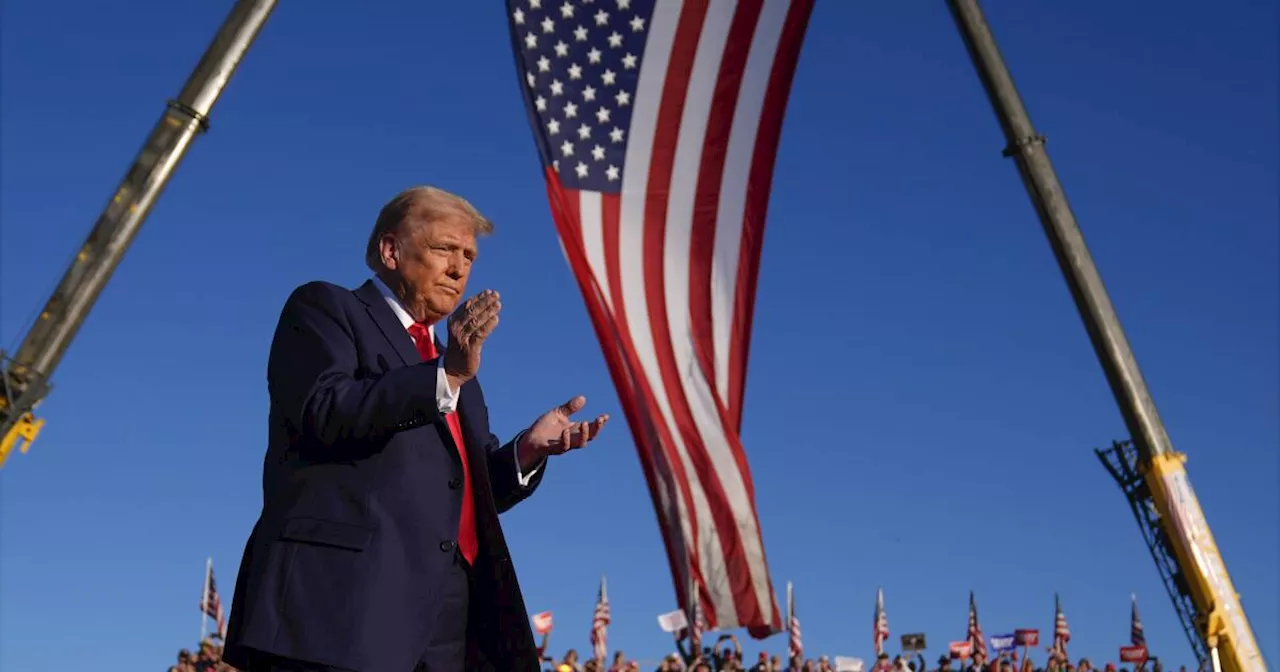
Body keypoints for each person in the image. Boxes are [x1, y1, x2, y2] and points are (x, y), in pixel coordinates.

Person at [222, 186, 609, 672]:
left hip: (451, 621)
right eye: (445, 248)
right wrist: (444, 375)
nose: (460, 267)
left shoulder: (455, 368)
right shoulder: (325, 309)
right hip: (343, 609)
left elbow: (459, 488)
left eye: (468, 255)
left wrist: (526, 452)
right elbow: (325, 410)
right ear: (390, 251)